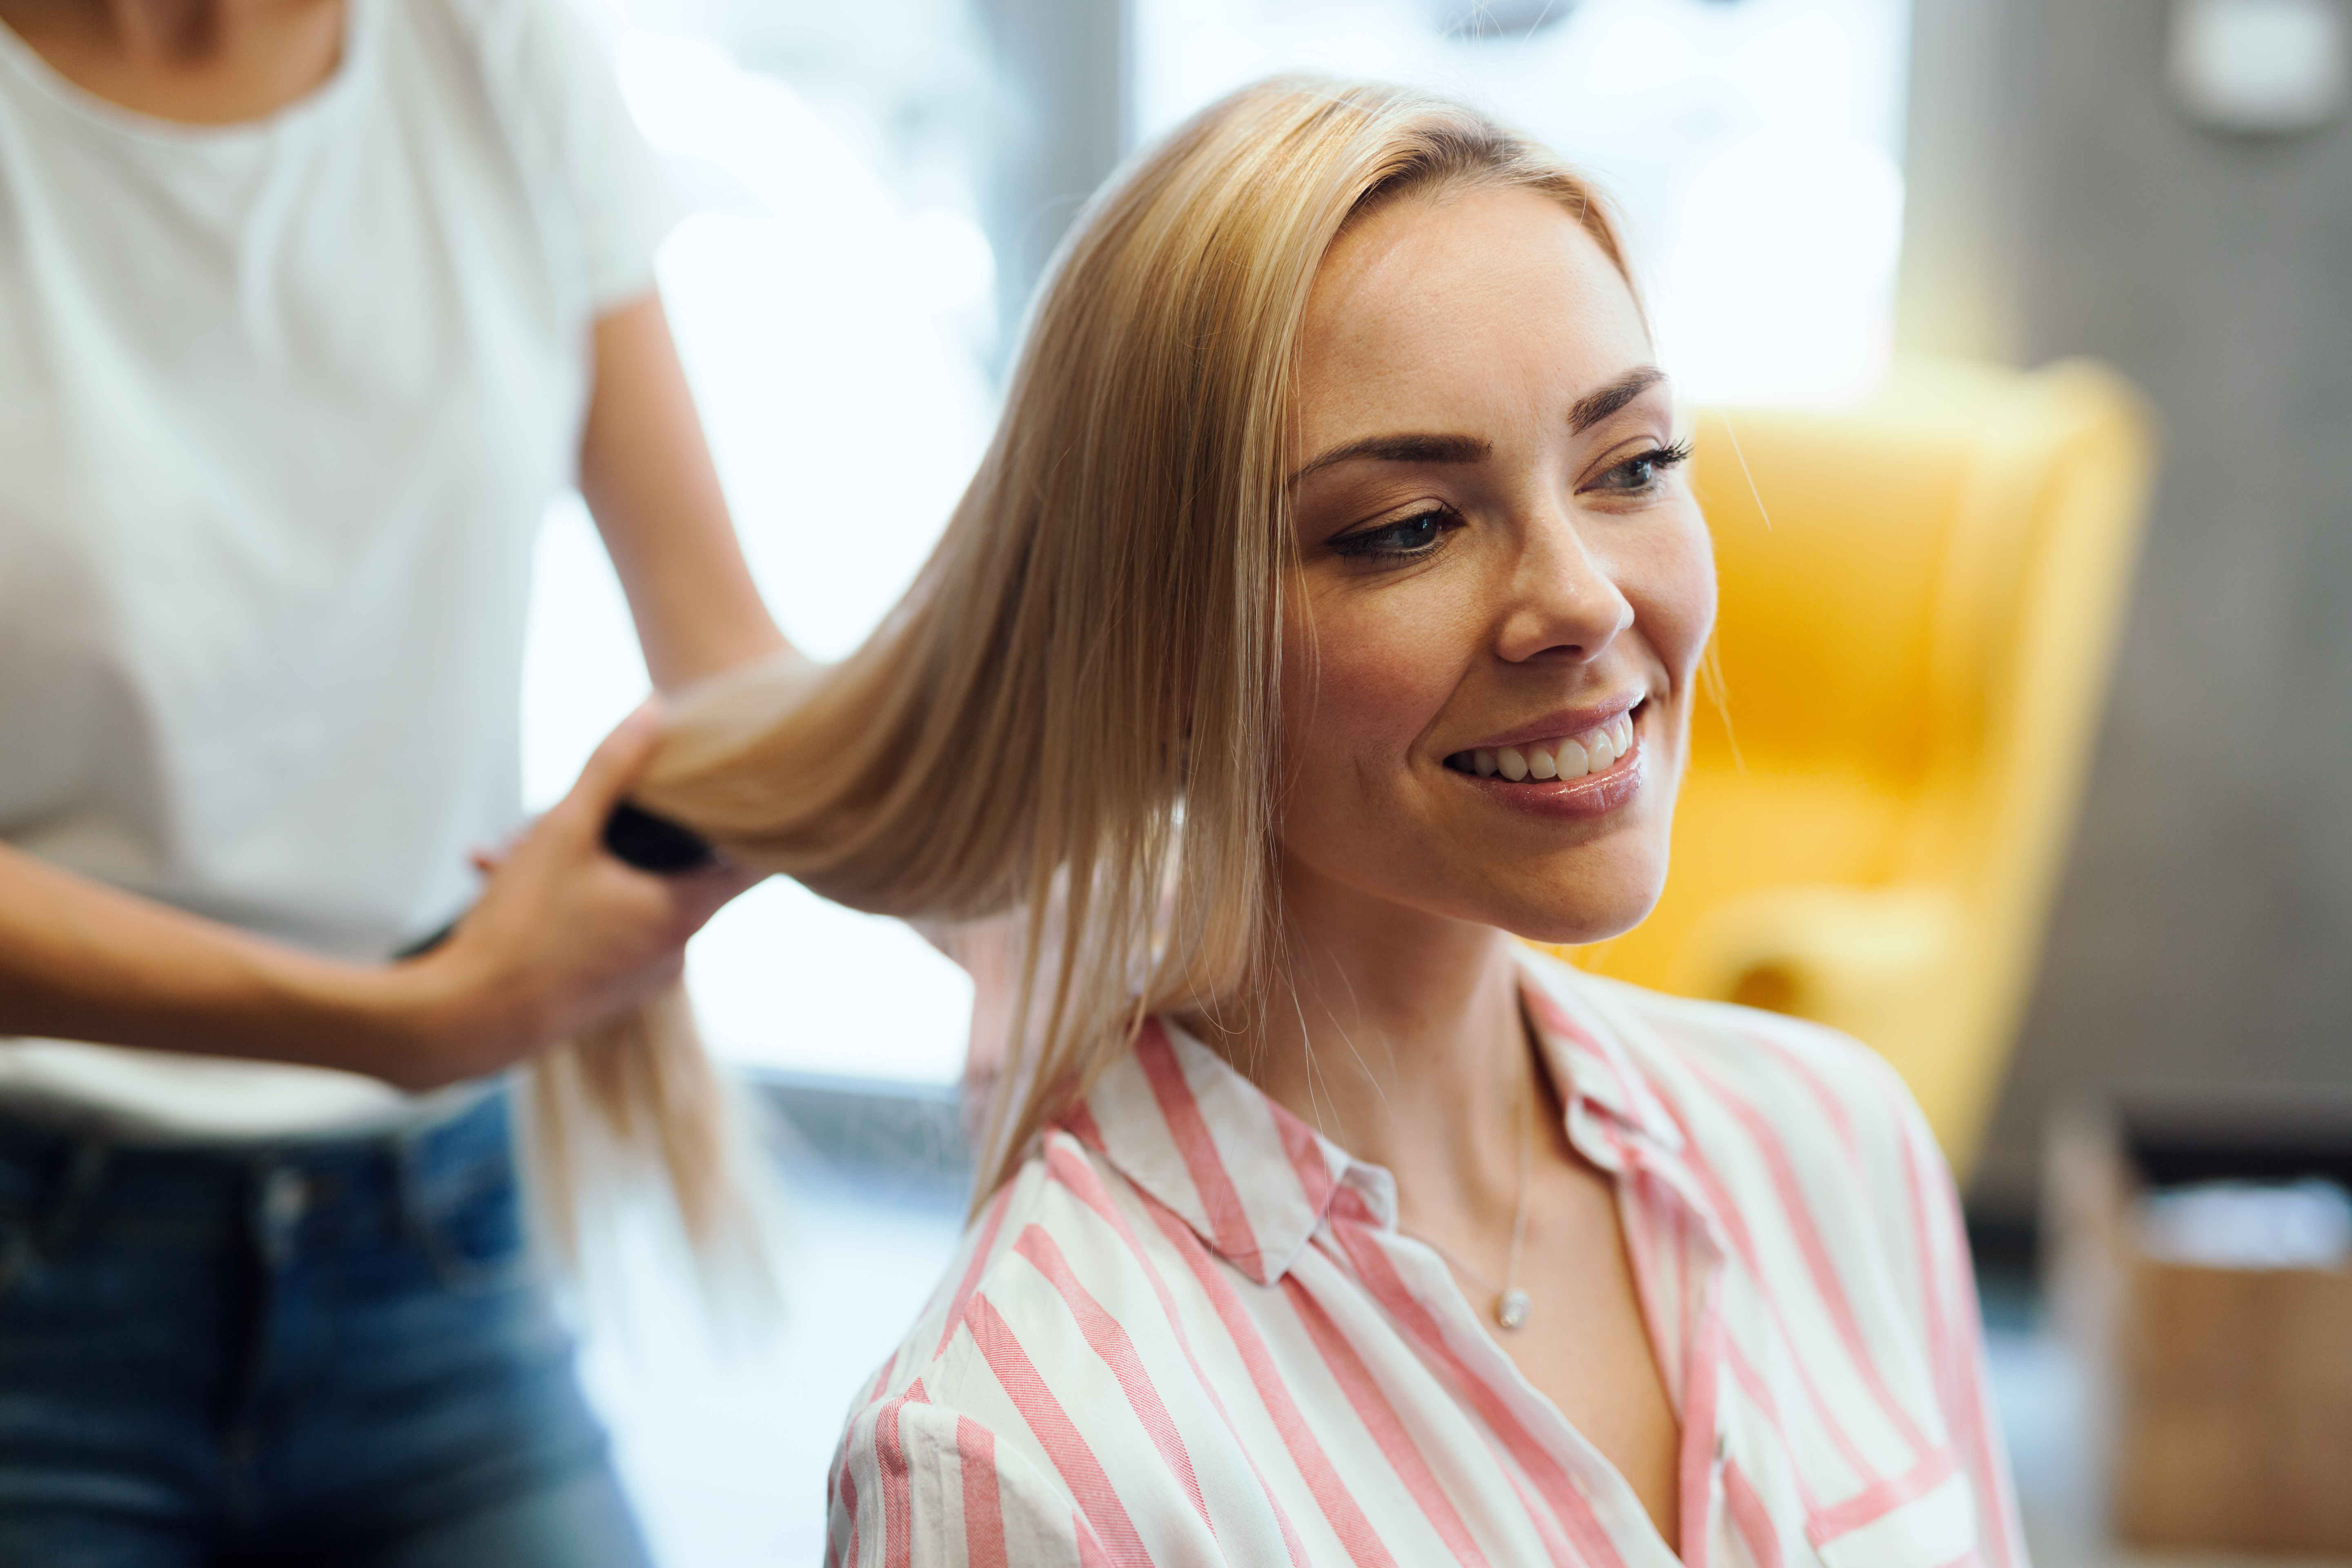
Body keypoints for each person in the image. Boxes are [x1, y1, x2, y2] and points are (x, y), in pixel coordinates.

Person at [613, 78, 2028, 1564]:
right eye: (1406, 528)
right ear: (1162, 653)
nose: (1589, 601)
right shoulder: (1022, 1464)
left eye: (1634, 468)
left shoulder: (1834, 1143)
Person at [0, 0, 782, 1561]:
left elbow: (723, 646)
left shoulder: (493, 46)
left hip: (437, 1242)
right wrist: (402, 1024)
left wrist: (1027, 906)